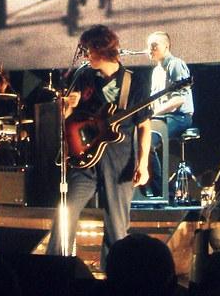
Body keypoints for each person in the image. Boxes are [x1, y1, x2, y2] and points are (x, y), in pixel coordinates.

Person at [47, 25, 151, 265]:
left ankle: (115, 276)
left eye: (89, 50)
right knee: (65, 213)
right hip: (86, 160)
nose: (85, 56)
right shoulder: (84, 76)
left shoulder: (134, 83)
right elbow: (68, 118)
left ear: (102, 50)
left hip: (119, 159)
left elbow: (144, 126)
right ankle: (54, 268)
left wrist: (143, 163)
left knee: (117, 227)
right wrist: (68, 107)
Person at [145, 31, 193, 198]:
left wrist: (153, 114)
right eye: (149, 46)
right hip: (161, 117)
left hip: (180, 117)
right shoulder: (156, 71)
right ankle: (147, 189)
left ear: (166, 46)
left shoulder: (175, 64)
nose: (150, 49)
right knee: (138, 136)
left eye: (154, 46)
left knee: (147, 141)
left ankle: (165, 193)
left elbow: (178, 100)